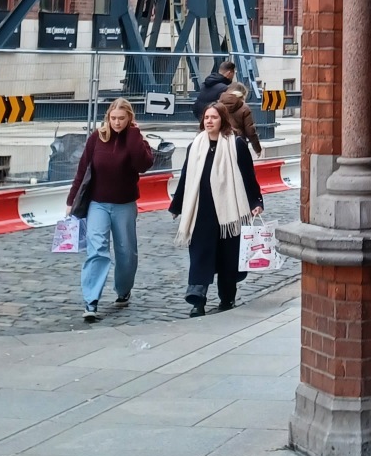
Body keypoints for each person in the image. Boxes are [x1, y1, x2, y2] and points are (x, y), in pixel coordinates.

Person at [170, 100, 263, 315]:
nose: (209, 121)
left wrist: (255, 202)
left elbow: (248, 177)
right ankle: (197, 298)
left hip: (229, 211)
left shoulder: (236, 144)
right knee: (200, 254)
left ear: (223, 120)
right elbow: (186, 177)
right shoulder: (195, 146)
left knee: (227, 257)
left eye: (214, 117)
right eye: (206, 117)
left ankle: (227, 299)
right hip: (201, 210)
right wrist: (177, 205)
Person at [67, 97, 153, 324]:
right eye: (113, 118)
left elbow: (144, 164)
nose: (116, 122)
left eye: (121, 118)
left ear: (129, 118)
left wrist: (133, 134)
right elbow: (82, 170)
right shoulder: (97, 138)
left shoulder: (135, 139)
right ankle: (91, 301)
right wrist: (71, 200)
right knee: (97, 250)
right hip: (98, 203)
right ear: (108, 117)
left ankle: (123, 290)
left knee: (126, 253)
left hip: (125, 204)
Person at [219, 84, 262, 156]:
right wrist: (257, 149)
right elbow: (250, 131)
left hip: (221, 141)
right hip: (238, 142)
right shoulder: (244, 108)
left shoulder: (218, 106)